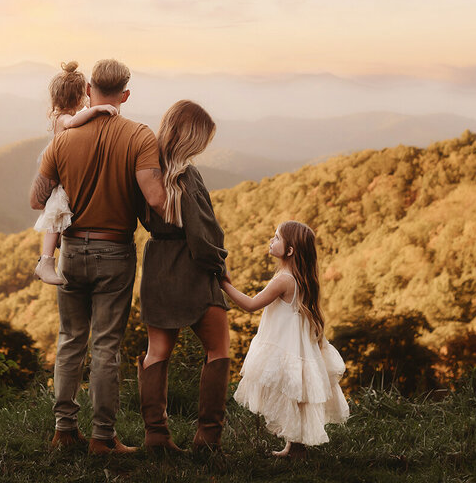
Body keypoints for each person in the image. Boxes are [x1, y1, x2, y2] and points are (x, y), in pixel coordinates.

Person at [30, 58, 166, 455]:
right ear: (125, 94)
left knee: (70, 339)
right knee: (106, 346)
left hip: (71, 250)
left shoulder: (63, 139)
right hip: (115, 251)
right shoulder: (140, 136)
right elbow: (156, 198)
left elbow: (38, 199)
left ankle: (64, 430)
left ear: (89, 89)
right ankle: (103, 439)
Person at [137, 100, 229, 453]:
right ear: (192, 138)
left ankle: (156, 436)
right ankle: (207, 439)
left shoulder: (144, 171)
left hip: (157, 265)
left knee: (156, 352)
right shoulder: (187, 176)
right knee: (218, 350)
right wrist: (220, 267)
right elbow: (204, 236)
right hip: (193, 270)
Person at [221, 220, 349, 460]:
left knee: (291, 393)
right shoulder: (301, 277)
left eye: (277, 238)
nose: (272, 241)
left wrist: (224, 284)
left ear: (289, 251)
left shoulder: (284, 279)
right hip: (299, 347)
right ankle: (295, 447)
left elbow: (250, 305)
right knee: (295, 395)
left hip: (286, 346)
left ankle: (296, 449)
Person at [32, 61, 118, 286]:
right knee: (56, 214)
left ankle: (52, 253)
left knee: (59, 215)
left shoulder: (61, 116)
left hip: (64, 171)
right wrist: (96, 109)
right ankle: (46, 261)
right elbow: (72, 122)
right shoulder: (64, 118)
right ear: (81, 97)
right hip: (59, 174)